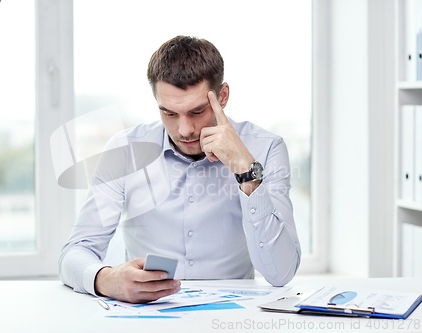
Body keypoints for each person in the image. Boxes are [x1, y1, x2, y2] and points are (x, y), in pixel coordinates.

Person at [58, 35, 301, 304]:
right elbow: (74, 252)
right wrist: (106, 279)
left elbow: (281, 272)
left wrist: (246, 170)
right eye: (170, 113)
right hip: (148, 317)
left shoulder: (266, 148)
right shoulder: (126, 150)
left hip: (232, 317)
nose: (184, 131)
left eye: (197, 111)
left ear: (222, 96)